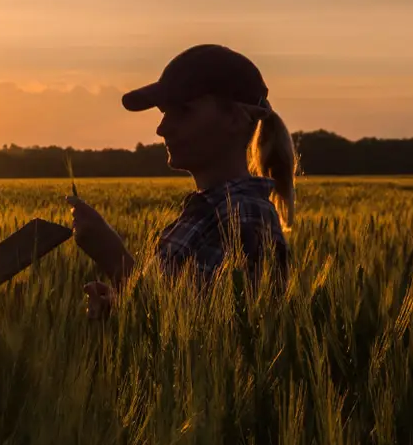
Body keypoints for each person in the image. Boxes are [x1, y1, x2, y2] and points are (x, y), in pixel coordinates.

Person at [68, 44, 295, 318]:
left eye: (182, 111)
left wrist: (116, 261)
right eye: (163, 112)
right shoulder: (208, 212)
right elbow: (172, 312)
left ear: (235, 119)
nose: (161, 128)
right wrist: (119, 307)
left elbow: (215, 333)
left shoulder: (244, 217)